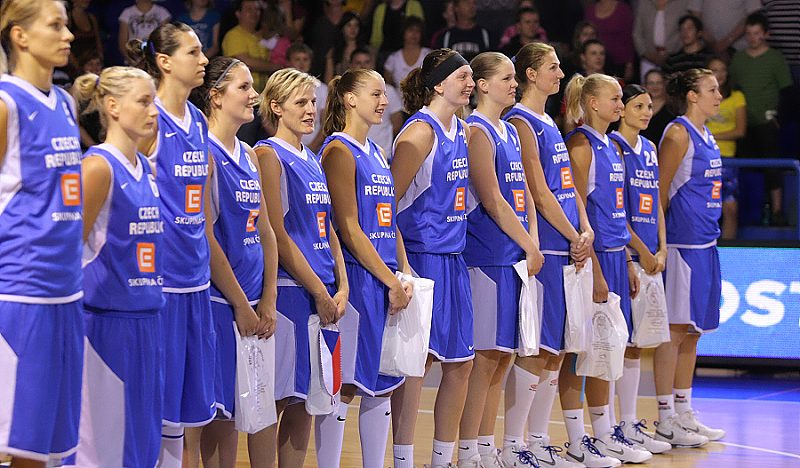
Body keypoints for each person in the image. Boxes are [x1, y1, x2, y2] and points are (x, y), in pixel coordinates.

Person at [314, 67, 413, 468]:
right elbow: (349, 227)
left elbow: (389, 220)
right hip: (358, 278)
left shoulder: (373, 149)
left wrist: (404, 271)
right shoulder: (338, 151)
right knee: (344, 384)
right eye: (375, 93)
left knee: (382, 384)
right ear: (350, 99)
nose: (384, 101)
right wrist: (390, 279)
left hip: (386, 279)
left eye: (384, 94)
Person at [251, 67, 349, 468]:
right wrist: (321, 291)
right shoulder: (267, 154)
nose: (311, 110)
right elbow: (276, 233)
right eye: (301, 102)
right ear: (276, 107)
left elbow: (329, 229)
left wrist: (342, 285)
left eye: (313, 102)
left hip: (323, 295)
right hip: (292, 291)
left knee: (307, 401)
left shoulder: (312, 157)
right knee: (275, 399)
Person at [125, 21, 212, 468]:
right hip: (161, 284)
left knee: (182, 410)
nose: (203, 60)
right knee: (154, 406)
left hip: (197, 280)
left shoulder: (198, 119)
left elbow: (203, 209)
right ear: (164, 62)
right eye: (193, 52)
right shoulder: (150, 119)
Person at [67, 66, 164, 468]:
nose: (154, 111)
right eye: (143, 101)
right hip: (104, 327)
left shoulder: (147, 170)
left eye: (154, 101)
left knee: (141, 449)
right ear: (112, 106)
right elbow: (66, 253)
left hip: (148, 320)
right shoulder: (97, 168)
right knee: (100, 452)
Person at [501, 41, 591, 468]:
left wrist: (585, 229)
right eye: (553, 67)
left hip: (567, 243)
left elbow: (567, 184)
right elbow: (537, 191)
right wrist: (574, 235)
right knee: (535, 348)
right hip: (548, 245)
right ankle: (513, 443)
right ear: (531, 75)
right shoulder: (520, 122)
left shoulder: (549, 121)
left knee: (555, 348)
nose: (560, 73)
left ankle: (537, 440)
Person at [0, 1, 82, 465]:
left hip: (67, 293)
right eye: (55, 25)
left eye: (67, 24)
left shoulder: (66, 103)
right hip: (20, 295)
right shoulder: (6, 103)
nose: (68, 35)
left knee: (47, 447)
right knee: (14, 443)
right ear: (20, 36)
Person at [188, 57, 279, 468]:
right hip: (220, 303)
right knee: (212, 419)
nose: (253, 95)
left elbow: (266, 231)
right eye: (243, 87)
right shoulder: (204, 153)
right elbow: (205, 237)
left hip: (254, 304)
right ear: (216, 96)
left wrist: (268, 298)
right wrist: (242, 304)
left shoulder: (249, 154)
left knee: (236, 417)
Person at [456, 51, 544, 468]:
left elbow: (524, 195)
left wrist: (532, 241)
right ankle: (467, 450)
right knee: (485, 360)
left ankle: (487, 448)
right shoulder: (477, 131)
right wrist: (529, 243)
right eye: (507, 78)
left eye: (514, 78)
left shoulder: (508, 130)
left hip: (513, 256)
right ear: (483, 85)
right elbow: (491, 199)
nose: (514, 85)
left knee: (503, 358)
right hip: (487, 257)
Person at [389, 48, 475, 468]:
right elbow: (385, 207)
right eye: (462, 76)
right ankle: (403, 460)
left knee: (460, 363)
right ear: (438, 85)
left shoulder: (463, 130)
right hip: (421, 259)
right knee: (415, 367)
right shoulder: (419, 134)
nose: (470, 83)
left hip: (454, 257)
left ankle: (442, 459)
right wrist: (402, 268)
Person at [561, 73, 652, 465]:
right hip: (592, 258)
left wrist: (628, 260)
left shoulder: (612, 146)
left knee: (608, 350)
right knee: (580, 352)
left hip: (616, 255)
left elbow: (615, 211)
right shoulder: (581, 145)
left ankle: (604, 433)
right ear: (593, 103)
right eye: (615, 98)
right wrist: (595, 270)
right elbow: (578, 211)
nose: (620, 104)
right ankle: (576, 438)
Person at [653, 67, 725, 447]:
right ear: (692, 95)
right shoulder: (678, 133)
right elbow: (658, 193)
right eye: (712, 89)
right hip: (681, 246)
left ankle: (684, 411)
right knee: (675, 331)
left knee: (693, 332)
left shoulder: (708, 135)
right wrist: (658, 245)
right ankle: (665, 417)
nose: (719, 96)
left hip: (705, 243)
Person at [607, 84, 674, 456]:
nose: (647, 112)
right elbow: (616, 210)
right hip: (628, 256)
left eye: (649, 106)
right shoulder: (614, 146)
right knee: (620, 344)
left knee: (637, 345)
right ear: (622, 110)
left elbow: (657, 203)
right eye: (638, 106)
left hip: (651, 256)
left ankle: (630, 422)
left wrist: (662, 246)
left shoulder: (649, 148)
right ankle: (614, 426)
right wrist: (642, 253)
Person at [729, 13, 793, 225]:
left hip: (767, 123)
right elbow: (732, 89)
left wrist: (779, 118)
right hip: (742, 123)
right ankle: (747, 213)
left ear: (766, 34)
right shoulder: (738, 59)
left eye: (757, 33)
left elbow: (787, 91)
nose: (752, 38)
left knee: (772, 166)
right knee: (744, 169)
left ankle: (777, 212)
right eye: (748, 33)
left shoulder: (775, 58)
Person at [706, 56, 746, 239]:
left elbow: (740, 130)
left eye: (722, 70)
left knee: (730, 207)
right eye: (714, 70)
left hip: (727, 159)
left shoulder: (737, 97)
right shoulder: (700, 97)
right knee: (704, 207)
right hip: (704, 157)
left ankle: (728, 247)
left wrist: (712, 135)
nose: (719, 74)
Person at [349, 48, 404, 156]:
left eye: (366, 62)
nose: (363, 66)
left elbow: (397, 123)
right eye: (358, 63)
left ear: (373, 64)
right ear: (350, 65)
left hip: (383, 154)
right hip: (353, 153)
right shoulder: (346, 93)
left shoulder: (389, 90)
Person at [287, 42, 328, 152]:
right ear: (289, 62)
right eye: (297, 59)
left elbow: (325, 123)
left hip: (314, 149)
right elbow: (268, 120)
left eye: (305, 59)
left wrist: (311, 148)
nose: (302, 63)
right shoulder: (280, 89)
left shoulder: (322, 89)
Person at [633, 0, 689, 79]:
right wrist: (645, 53)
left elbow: (684, 30)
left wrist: (672, 53)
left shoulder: (682, 3)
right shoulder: (644, 3)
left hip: (675, 59)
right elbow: (637, 32)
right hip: (648, 59)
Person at [584, 0, 635, 82]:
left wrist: (629, 64)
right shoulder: (590, 10)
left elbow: (629, 37)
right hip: (595, 60)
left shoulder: (623, 9)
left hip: (619, 62)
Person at [688, 0, 762, 54]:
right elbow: (695, 12)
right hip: (706, 46)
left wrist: (726, 42)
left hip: (738, 47)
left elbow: (752, 16)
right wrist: (707, 38)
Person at [383, 15, 431, 88]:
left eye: (418, 31)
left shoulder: (429, 55)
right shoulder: (393, 58)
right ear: (403, 32)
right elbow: (387, 85)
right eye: (411, 30)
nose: (414, 34)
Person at [324, 12, 371, 84]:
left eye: (356, 25)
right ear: (342, 28)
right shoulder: (334, 51)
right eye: (349, 25)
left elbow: (372, 75)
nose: (353, 29)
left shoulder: (367, 50)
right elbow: (328, 81)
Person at [641, 69, 676, 144]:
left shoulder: (673, 109)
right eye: (651, 83)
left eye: (659, 83)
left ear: (664, 85)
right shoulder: (639, 108)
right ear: (645, 85)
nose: (655, 86)